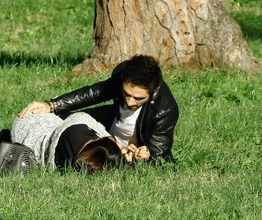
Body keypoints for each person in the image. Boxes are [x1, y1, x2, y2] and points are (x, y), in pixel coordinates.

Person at [19, 55, 178, 163]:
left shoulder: (164, 110)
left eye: (138, 98)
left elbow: (160, 157)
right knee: (65, 123)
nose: (129, 102)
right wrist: (51, 105)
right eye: (126, 94)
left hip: (121, 151)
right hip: (107, 129)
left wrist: (143, 157)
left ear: (153, 90)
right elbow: (95, 93)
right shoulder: (122, 77)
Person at [0, 111, 126, 173]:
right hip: (30, 133)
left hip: (36, 121)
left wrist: (111, 141)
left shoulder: (77, 131)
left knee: (6, 135)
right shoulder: (73, 163)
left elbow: (83, 118)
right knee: (9, 141)